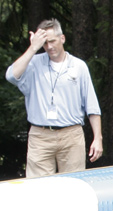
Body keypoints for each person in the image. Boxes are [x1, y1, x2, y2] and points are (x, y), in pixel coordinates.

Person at [5, 18, 102, 177]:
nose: (49, 47)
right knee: (38, 188)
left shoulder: (79, 66)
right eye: (44, 43)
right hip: (40, 136)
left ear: (62, 38)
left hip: (71, 135)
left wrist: (98, 138)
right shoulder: (33, 64)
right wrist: (32, 48)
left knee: (73, 186)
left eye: (52, 41)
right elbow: (11, 76)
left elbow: (92, 106)